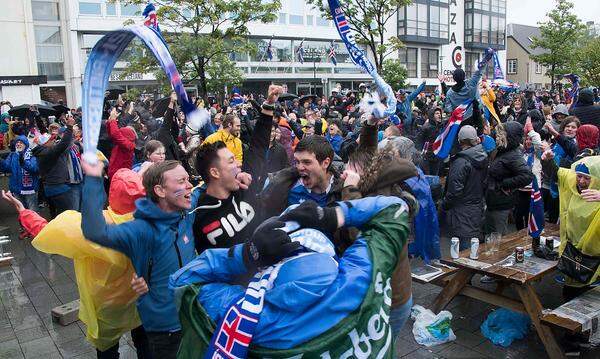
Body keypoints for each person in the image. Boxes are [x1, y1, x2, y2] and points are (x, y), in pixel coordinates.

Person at [170, 196, 411, 358]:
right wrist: (332, 216)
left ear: (268, 266)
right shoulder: (363, 272)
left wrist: (246, 253)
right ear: (325, 246)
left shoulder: (248, 317)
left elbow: (182, 281)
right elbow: (395, 209)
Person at [2, 168, 151, 359]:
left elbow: (49, 231)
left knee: (107, 349)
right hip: (139, 298)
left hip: (106, 306)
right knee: (144, 341)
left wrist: (24, 212)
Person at [81, 160, 196, 358]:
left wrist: (238, 177)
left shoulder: (187, 210)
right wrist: (93, 180)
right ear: (160, 191)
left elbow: (212, 186)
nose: (189, 185)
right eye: (181, 181)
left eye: (188, 179)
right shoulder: (141, 230)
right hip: (166, 329)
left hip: (193, 316)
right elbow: (95, 232)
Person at [191, 86, 282, 254]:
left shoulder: (244, 185)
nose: (238, 165)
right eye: (231, 161)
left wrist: (269, 105)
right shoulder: (197, 215)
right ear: (215, 172)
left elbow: (257, 149)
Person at [442, 125, 489, 249]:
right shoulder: (483, 156)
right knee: (472, 247)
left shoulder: (461, 162)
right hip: (477, 207)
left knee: (463, 251)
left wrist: (444, 205)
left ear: (460, 140)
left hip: (462, 211)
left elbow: (454, 191)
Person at [484, 121, 534, 235]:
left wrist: (503, 184)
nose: (497, 136)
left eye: (501, 134)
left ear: (509, 136)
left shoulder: (513, 155)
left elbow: (527, 176)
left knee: (498, 237)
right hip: (494, 199)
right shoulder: (503, 150)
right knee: (492, 235)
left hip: (500, 202)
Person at [32, 116, 77, 218]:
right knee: (66, 216)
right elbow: (63, 144)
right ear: (45, 144)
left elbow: (64, 146)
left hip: (55, 187)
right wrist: (69, 126)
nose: (53, 141)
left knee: (59, 215)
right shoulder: (46, 153)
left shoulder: (44, 151)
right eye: (51, 140)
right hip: (57, 188)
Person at [0, 135, 39, 211]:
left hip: (29, 189)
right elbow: (7, 168)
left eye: (21, 142)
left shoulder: (32, 154)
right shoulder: (13, 155)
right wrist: (1, 161)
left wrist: (22, 161)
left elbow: (34, 169)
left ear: (26, 144)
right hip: (16, 189)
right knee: (22, 211)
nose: (18, 144)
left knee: (33, 211)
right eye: (17, 142)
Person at [107, 108, 137, 180]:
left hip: (121, 177)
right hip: (115, 174)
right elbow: (112, 134)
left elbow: (115, 134)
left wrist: (114, 120)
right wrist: (110, 121)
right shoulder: (122, 144)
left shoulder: (128, 145)